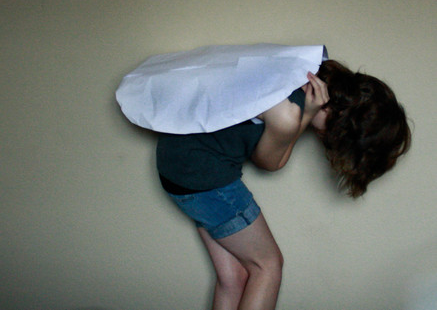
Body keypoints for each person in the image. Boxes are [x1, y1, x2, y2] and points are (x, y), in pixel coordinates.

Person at [156, 60, 411, 310]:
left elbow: (276, 155)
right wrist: (301, 118)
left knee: (233, 277)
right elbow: (268, 162)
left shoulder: (297, 78)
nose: (325, 139)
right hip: (203, 175)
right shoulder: (288, 113)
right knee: (267, 266)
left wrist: (306, 115)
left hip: (177, 165)